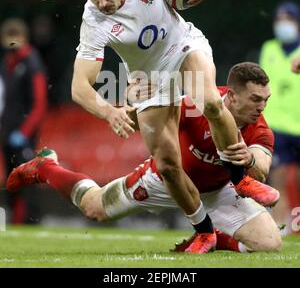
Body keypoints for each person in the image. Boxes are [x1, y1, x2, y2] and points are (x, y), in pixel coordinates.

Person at [6, 62, 282, 253]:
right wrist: (134, 100)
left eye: (266, 100)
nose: (262, 107)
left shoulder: (259, 127)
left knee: (270, 243)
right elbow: (138, 121)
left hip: (218, 191)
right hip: (164, 180)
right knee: (94, 208)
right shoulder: (196, 104)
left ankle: (216, 239)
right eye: (256, 99)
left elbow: (260, 169)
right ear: (231, 96)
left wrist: (248, 160)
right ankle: (46, 166)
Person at [71, 0, 240, 252]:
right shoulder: (93, 20)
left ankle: (241, 179)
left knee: (211, 102)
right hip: (149, 80)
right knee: (167, 165)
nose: (101, 2)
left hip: (183, 46)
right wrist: (109, 112)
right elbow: (79, 86)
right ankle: (205, 232)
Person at [0, 18, 48, 223]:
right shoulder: (7, 62)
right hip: (7, 130)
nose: (12, 41)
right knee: (11, 179)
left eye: (15, 36)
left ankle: (32, 220)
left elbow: (39, 103)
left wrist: (25, 133)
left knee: (27, 177)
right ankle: (14, 220)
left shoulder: (32, 62)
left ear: (24, 38)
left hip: (23, 133)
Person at [259, 1, 300, 233]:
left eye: (288, 20)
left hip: (299, 123)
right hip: (276, 125)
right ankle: (280, 227)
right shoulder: (269, 49)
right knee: (279, 179)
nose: (283, 25)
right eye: (279, 20)